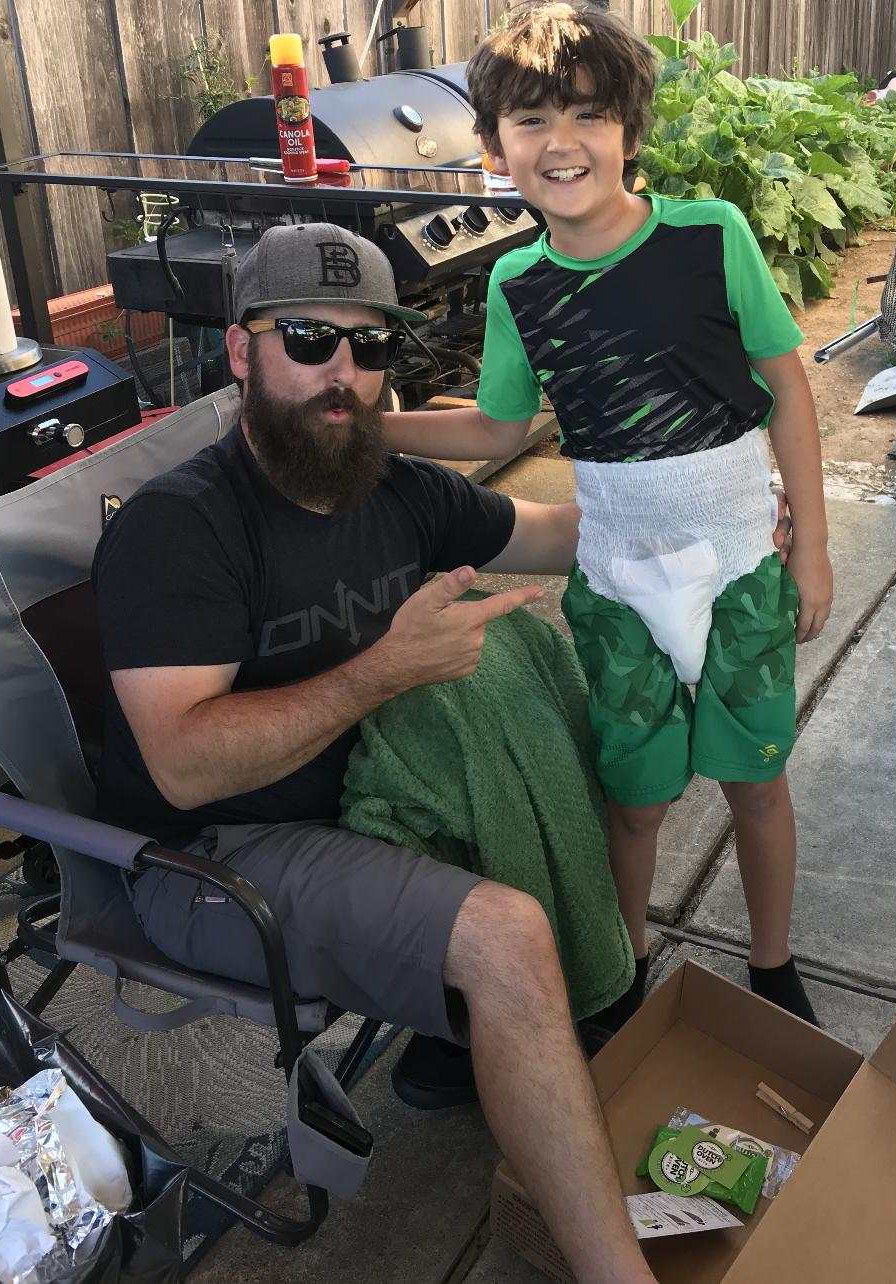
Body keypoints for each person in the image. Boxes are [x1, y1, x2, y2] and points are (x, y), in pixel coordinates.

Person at [91, 221, 662, 1284]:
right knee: (505, 937)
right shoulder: (183, 528)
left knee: (555, 714)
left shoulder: (390, 488)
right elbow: (185, 767)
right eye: (307, 338)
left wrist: (696, 510)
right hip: (219, 854)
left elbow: (547, 533)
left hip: (359, 802)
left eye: (370, 345)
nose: (341, 374)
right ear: (240, 350)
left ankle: (465, 1052)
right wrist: (384, 669)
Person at [382, 2, 834, 1030]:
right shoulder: (517, 282)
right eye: (531, 121)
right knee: (636, 800)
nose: (561, 141)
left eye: (587, 115)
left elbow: (788, 387)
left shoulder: (708, 237)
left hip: (739, 572)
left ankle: (772, 965)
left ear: (629, 131)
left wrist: (811, 544)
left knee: (754, 785)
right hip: (618, 583)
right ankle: (623, 973)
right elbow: (499, 423)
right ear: (497, 149)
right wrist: (382, 431)